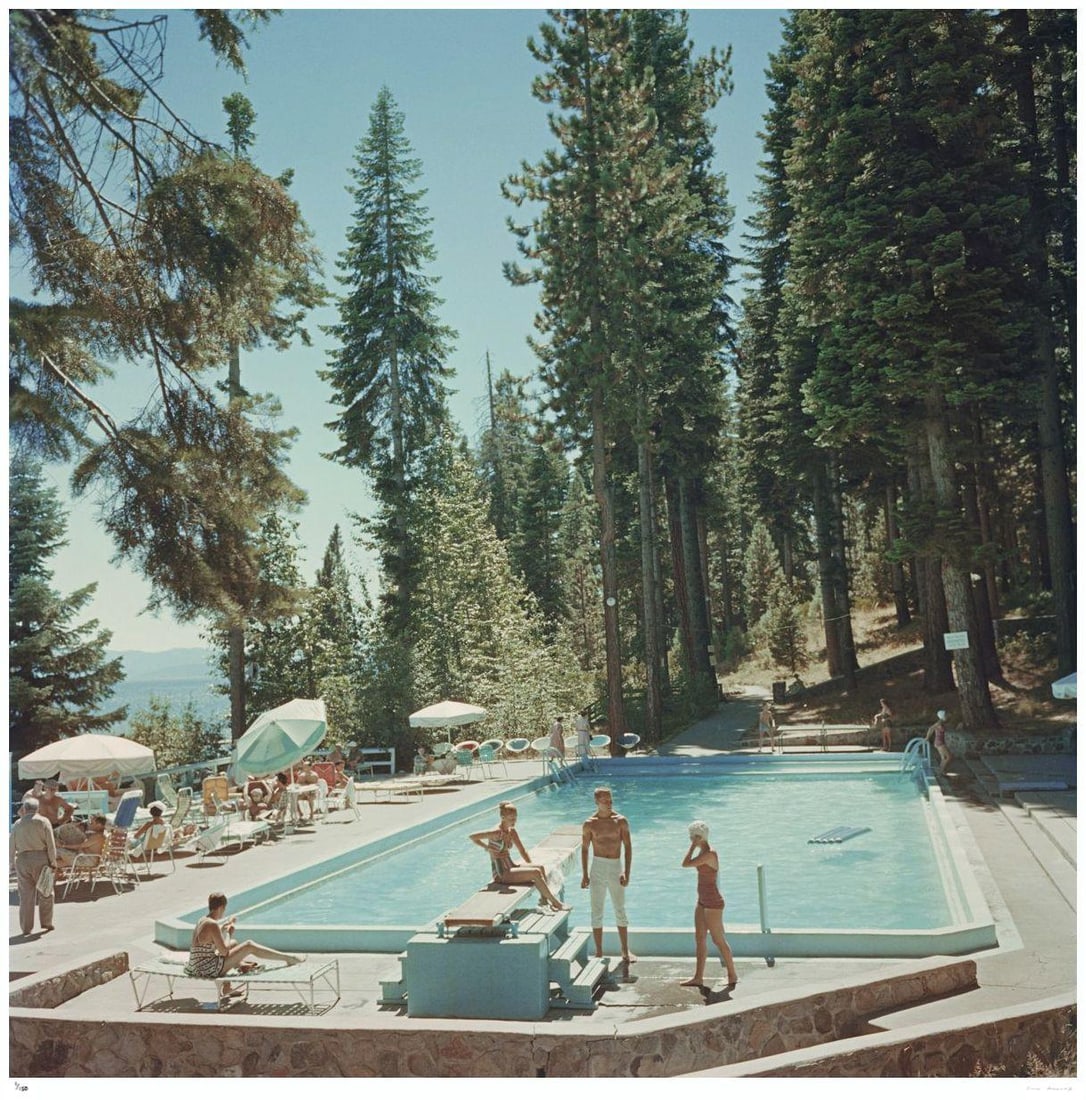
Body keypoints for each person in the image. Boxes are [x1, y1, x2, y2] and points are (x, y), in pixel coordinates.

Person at [186, 892, 304, 1000]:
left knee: (234, 944)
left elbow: (208, 945)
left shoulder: (203, 920)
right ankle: (288, 958)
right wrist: (228, 933)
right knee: (249, 945)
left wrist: (223, 930)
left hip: (196, 966)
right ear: (222, 907)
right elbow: (224, 952)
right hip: (206, 969)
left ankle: (234, 977)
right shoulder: (212, 925)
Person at [469, 802, 570, 912]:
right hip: (501, 874)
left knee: (540, 868)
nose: (514, 821)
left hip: (511, 866)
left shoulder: (511, 831)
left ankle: (544, 901)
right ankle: (556, 903)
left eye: (515, 818)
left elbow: (522, 851)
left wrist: (529, 865)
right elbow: (473, 837)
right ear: (503, 817)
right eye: (511, 819)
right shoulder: (496, 832)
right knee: (536, 872)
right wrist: (487, 848)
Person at [679, 821, 738, 989]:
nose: (691, 839)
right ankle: (698, 977)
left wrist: (692, 847)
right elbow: (688, 863)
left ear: (700, 837)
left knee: (717, 939)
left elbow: (685, 864)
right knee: (699, 938)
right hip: (702, 901)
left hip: (713, 902)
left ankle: (732, 974)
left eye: (693, 837)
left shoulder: (710, 854)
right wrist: (694, 846)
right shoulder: (702, 853)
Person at [581, 786, 635, 961]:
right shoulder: (589, 823)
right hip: (597, 867)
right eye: (605, 801)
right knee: (596, 909)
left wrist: (626, 871)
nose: (609, 803)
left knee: (620, 908)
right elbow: (584, 849)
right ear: (597, 802)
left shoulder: (620, 821)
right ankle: (598, 951)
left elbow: (628, 847)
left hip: (615, 866)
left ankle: (625, 950)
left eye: (611, 800)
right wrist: (584, 874)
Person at [9, 797, 57, 935]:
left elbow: (11, 845)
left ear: (24, 809)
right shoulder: (43, 821)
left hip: (22, 860)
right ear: (38, 808)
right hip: (41, 858)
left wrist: (11, 863)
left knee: (25, 896)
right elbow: (50, 844)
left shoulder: (17, 824)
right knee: (46, 892)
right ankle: (46, 923)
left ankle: (26, 927)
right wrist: (53, 862)